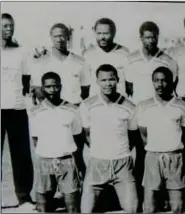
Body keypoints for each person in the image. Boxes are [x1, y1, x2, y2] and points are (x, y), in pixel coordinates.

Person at [80, 64, 139, 213]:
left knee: (132, 208)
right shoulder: (87, 105)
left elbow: (132, 136)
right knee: (85, 209)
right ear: (97, 82)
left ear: (118, 80)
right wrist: (100, 152)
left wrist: (119, 152)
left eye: (111, 79)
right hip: (97, 163)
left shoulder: (130, 106)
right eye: (103, 80)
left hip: (122, 163)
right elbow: (87, 135)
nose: (108, 84)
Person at [135, 67, 185, 213]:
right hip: (153, 158)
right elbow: (143, 134)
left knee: (177, 207)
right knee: (149, 207)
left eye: (164, 80)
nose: (160, 84)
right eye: (156, 81)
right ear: (152, 82)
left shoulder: (182, 106)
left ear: (172, 82)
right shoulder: (144, 106)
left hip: (175, 158)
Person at [30, 72, 83, 212]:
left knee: (72, 207)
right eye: (48, 87)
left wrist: (78, 163)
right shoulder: (35, 111)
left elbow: (77, 136)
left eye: (55, 86)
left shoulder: (73, 109)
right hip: (45, 161)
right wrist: (48, 153)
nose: (52, 90)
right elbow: (35, 139)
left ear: (61, 87)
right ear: (42, 88)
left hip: (67, 161)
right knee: (42, 206)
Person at [1, 13, 34, 209]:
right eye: (4, 25)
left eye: (10, 25)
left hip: (16, 107)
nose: (9, 29)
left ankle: (23, 196)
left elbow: (26, 80)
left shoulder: (21, 51)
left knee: (21, 154)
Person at [30, 23, 90, 106]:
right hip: (51, 111)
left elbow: (85, 90)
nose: (59, 40)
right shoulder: (41, 62)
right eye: (55, 36)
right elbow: (38, 90)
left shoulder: (81, 62)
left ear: (68, 37)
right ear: (51, 37)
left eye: (61, 36)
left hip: (74, 110)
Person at [125, 21, 178, 105]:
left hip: (159, 107)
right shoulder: (130, 59)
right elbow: (129, 87)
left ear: (158, 37)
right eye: (147, 37)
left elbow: (172, 88)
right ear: (141, 37)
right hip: (138, 106)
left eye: (154, 37)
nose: (151, 41)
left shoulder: (168, 61)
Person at [83, 18, 130, 97]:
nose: (102, 37)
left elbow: (129, 83)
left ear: (113, 33)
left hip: (118, 102)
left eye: (106, 33)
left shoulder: (124, 53)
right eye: (99, 33)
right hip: (95, 102)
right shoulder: (88, 54)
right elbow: (84, 85)